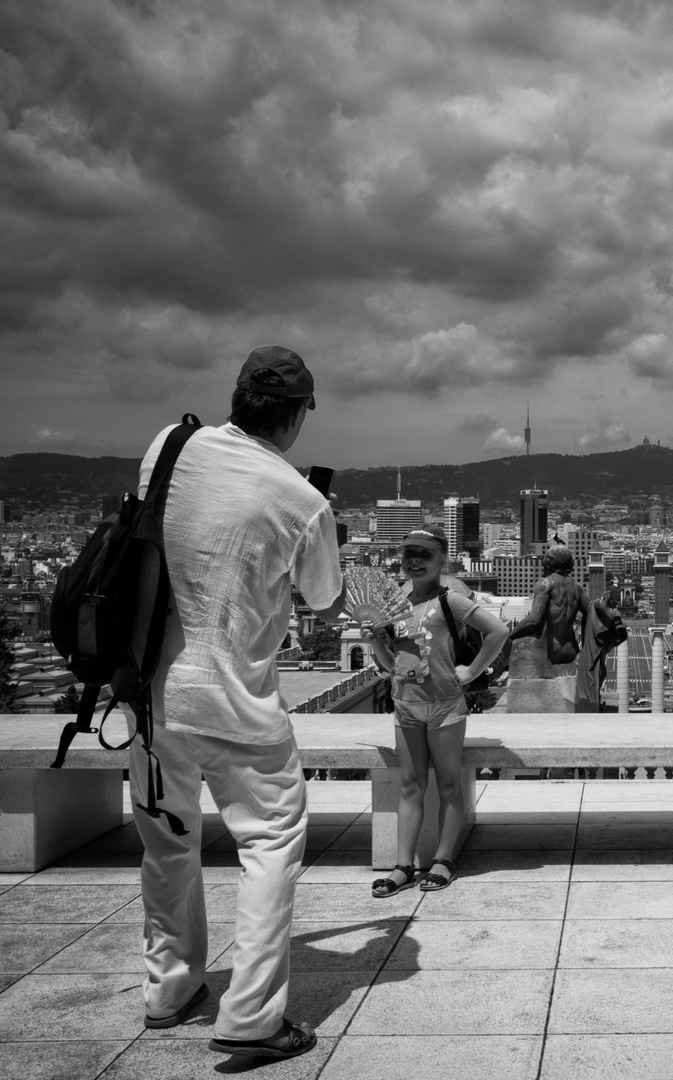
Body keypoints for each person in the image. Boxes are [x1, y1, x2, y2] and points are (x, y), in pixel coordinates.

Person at [131, 345, 345, 1061]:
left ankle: (169, 988)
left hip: (150, 693)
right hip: (236, 704)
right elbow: (323, 599)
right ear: (295, 416)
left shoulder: (170, 445)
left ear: (238, 398)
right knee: (270, 844)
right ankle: (251, 1017)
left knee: (167, 844)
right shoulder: (301, 499)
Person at [367, 526, 509, 896]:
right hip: (406, 705)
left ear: (440, 560)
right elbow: (388, 662)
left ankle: (444, 859)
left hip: (446, 705)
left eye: (423, 555)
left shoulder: (450, 601)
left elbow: (497, 631)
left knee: (448, 784)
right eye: (408, 554)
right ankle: (403, 866)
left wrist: (472, 670)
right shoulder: (394, 603)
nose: (414, 561)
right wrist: (375, 640)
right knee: (411, 785)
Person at [506, 541, 585, 664]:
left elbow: (533, 621)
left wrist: (510, 636)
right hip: (571, 651)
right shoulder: (577, 588)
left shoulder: (545, 584)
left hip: (549, 651)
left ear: (549, 564)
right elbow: (592, 612)